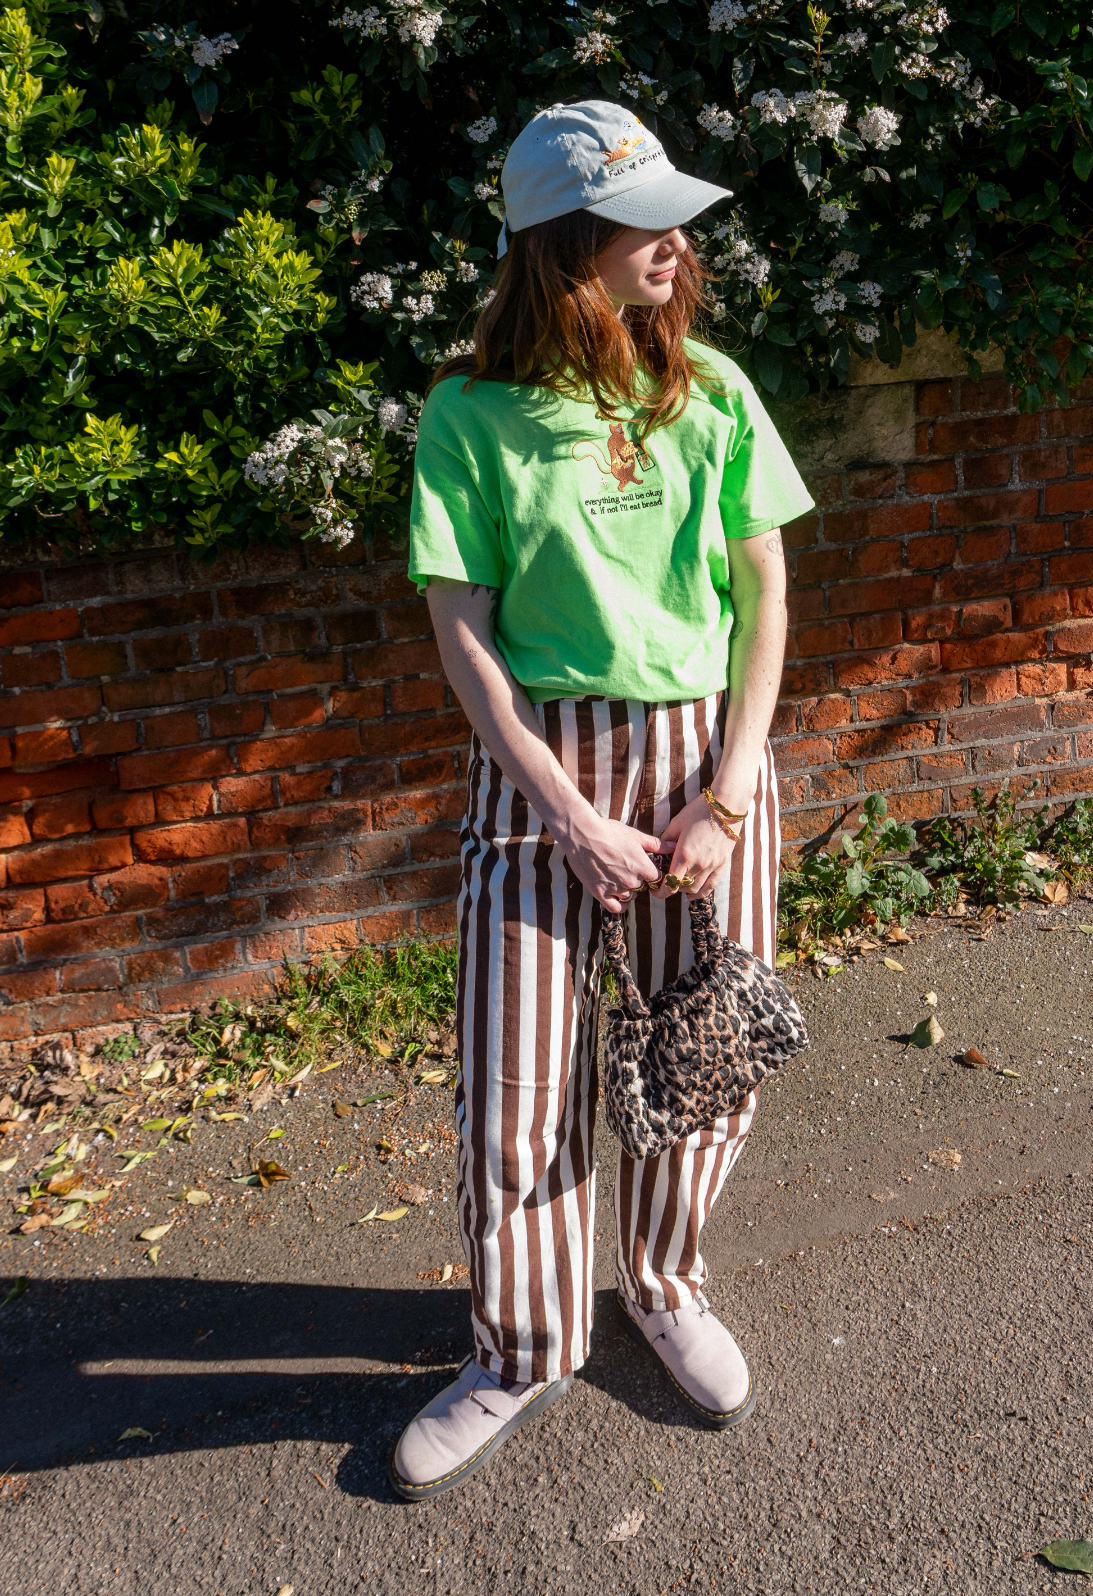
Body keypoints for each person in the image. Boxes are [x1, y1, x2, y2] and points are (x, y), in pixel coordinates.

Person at [389, 99, 814, 1502]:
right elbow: (464, 630)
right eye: (649, 223)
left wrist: (734, 786)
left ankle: (662, 1282)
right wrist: (568, 811)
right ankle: (523, 1349)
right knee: (520, 1086)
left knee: (702, 1056)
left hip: (705, 767)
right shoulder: (469, 416)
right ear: (566, 241)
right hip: (544, 779)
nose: (678, 246)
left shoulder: (713, 391)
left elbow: (764, 596)